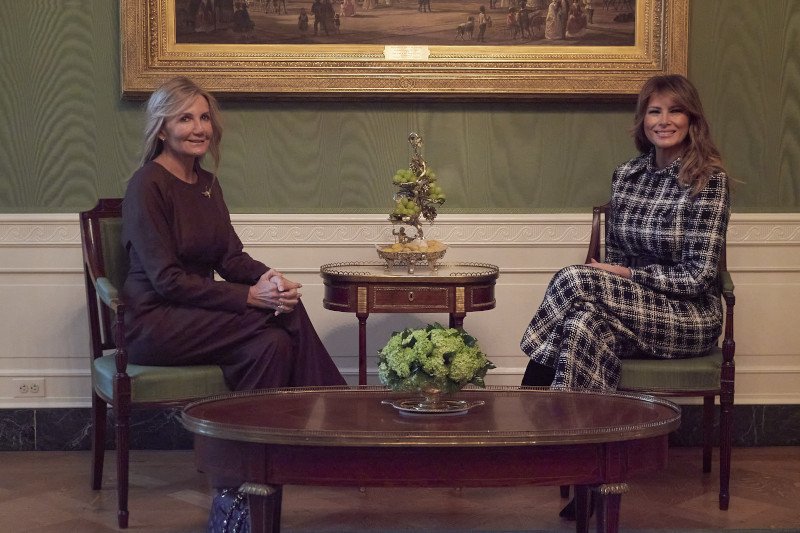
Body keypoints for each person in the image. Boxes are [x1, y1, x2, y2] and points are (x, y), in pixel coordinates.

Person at [121, 76, 346, 392]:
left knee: (274, 343)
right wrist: (249, 295)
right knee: (287, 315)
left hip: (197, 314)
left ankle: (255, 426)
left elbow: (230, 259)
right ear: (161, 130)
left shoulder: (207, 184)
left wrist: (271, 280)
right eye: (185, 119)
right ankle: (332, 405)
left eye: (204, 117)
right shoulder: (146, 185)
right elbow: (167, 281)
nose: (199, 128)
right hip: (154, 323)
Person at [520, 73, 730, 393]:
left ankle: (527, 392)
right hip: (630, 305)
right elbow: (615, 258)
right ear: (643, 119)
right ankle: (575, 425)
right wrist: (620, 274)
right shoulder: (626, 175)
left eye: (675, 111)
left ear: (692, 119)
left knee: (575, 279)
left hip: (689, 316)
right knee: (581, 323)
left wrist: (630, 274)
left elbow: (698, 277)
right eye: (654, 111)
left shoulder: (709, 180)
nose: (664, 121)